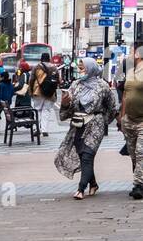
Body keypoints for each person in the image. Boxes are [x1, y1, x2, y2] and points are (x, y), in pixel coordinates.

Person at [55, 57, 119, 199]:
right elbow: (68, 107)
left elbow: (112, 107)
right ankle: (93, 184)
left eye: (82, 68)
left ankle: (80, 189)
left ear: (90, 68)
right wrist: (65, 103)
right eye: (79, 67)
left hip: (95, 125)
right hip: (78, 124)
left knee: (88, 154)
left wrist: (104, 121)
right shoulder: (76, 85)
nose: (80, 70)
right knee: (83, 155)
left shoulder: (102, 86)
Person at [119, 45, 143, 200]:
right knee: (134, 154)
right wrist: (122, 118)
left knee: (141, 153)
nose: (130, 55)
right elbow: (125, 96)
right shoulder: (130, 72)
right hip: (129, 120)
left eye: (132, 52)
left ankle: (138, 185)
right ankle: (139, 180)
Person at [30, 52, 60, 137]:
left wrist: (31, 91)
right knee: (46, 111)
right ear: (49, 58)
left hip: (38, 91)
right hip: (50, 93)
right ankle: (44, 130)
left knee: (38, 110)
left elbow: (31, 80)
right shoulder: (54, 68)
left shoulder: (37, 67)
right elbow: (59, 81)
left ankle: (37, 129)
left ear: (41, 58)